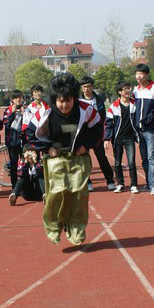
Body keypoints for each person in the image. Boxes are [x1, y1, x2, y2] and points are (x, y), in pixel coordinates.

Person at [26, 73, 102, 245]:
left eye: (68, 100)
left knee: (79, 195)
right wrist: (47, 148)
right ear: (54, 99)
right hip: (56, 158)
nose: (64, 105)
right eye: (60, 101)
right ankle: (53, 226)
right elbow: (30, 132)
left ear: (74, 98)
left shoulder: (86, 109)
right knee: (56, 194)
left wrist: (86, 146)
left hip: (78, 157)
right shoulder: (45, 110)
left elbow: (98, 129)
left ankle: (76, 228)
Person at [79, 76, 115, 191]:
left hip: (96, 134)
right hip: (84, 134)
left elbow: (103, 117)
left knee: (101, 157)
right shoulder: (78, 100)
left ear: (92, 87)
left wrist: (104, 135)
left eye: (88, 86)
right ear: (81, 88)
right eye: (84, 87)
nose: (86, 89)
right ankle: (88, 182)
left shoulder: (98, 99)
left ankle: (110, 181)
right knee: (84, 159)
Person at [104, 81, 139, 194]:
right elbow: (108, 124)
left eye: (128, 88)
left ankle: (134, 185)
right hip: (117, 138)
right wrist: (107, 139)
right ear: (120, 92)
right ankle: (120, 184)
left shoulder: (135, 104)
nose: (127, 91)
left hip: (130, 138)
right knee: (117, 163)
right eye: (125, 89)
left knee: (131, 162)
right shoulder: (113, 106)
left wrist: (138, 136)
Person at [132, 64, 154, 191]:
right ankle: (149, 183)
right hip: (139, 130)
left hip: (150, 129)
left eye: (141, 73)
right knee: (144, 158)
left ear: (147, 75)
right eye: (137, 73)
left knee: (151, 157)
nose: (138, 76)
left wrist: (144, 121)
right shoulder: (135, 90)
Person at [2, 89, 26, 189]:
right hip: (12, 140)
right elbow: (6, 123)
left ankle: (25, 185)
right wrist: (12, 113)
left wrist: (25, 113)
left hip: (24, 139)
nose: (18, 100)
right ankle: (14, 187)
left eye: (20, 97)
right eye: (15, 98)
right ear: (12, 100)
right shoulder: (8, 110)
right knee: (14, 163)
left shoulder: (26, 109)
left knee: (25, 163)